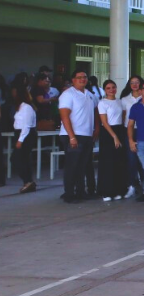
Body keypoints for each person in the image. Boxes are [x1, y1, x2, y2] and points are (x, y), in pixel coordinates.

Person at [58, 69, 95, 203]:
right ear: (73, 80)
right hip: (73, 135)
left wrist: (94, 131)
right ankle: (69, 193)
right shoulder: (68, 94)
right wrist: (72, 136)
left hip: (86, 135)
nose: (82, 79)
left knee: (82, 165)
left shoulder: (90, 94)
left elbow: (95, 112)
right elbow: (64, 116)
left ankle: (80, 191)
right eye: (79, 77)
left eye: (84, 77)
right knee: (72, 165)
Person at [97, 79, 129, 201]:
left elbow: (122, 116)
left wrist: (119, 134)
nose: (111, 90)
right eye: (108, 88)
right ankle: (106, 191)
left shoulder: (120, 102)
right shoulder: (102, 103)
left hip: (119, 130)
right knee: (107, 162)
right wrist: (114, 136)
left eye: (113, 87)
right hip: (108, 132)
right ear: (105, 90)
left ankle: (118, 189)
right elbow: (104, 122)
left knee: (119, 162)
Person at [12, 81, 38, 194]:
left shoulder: (26, 107)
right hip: (19, 132)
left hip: (25, 134)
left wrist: (20, 140)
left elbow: (26, 125)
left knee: (17, 158)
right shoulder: (20, 107)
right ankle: (28, 181)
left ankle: (28, 181)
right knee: (23, 159)